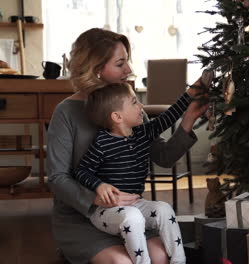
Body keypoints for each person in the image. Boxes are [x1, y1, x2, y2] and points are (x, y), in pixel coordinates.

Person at [47, 28, 207, 264]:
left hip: (131, 216)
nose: (129, 70)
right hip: (81, 217)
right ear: (96, 69)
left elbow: (163, 156)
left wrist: (188, 121)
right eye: (120, 63)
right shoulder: (66, 112)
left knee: (162, 256)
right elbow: (57, 178)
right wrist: (95, 197)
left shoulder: (130, 107)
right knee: (122, 262)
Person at [74, 82, 190, 264]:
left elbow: (168, 117)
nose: (141, 106)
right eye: (135, 102)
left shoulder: (142, 133)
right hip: (106, 211)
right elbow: (81, 171)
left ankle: (179, 261)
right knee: (133, 217)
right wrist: (99, 185)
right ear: (117, 116)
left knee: (164, 209)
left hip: (137, 203)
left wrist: (191, 94)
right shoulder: (102, 143)